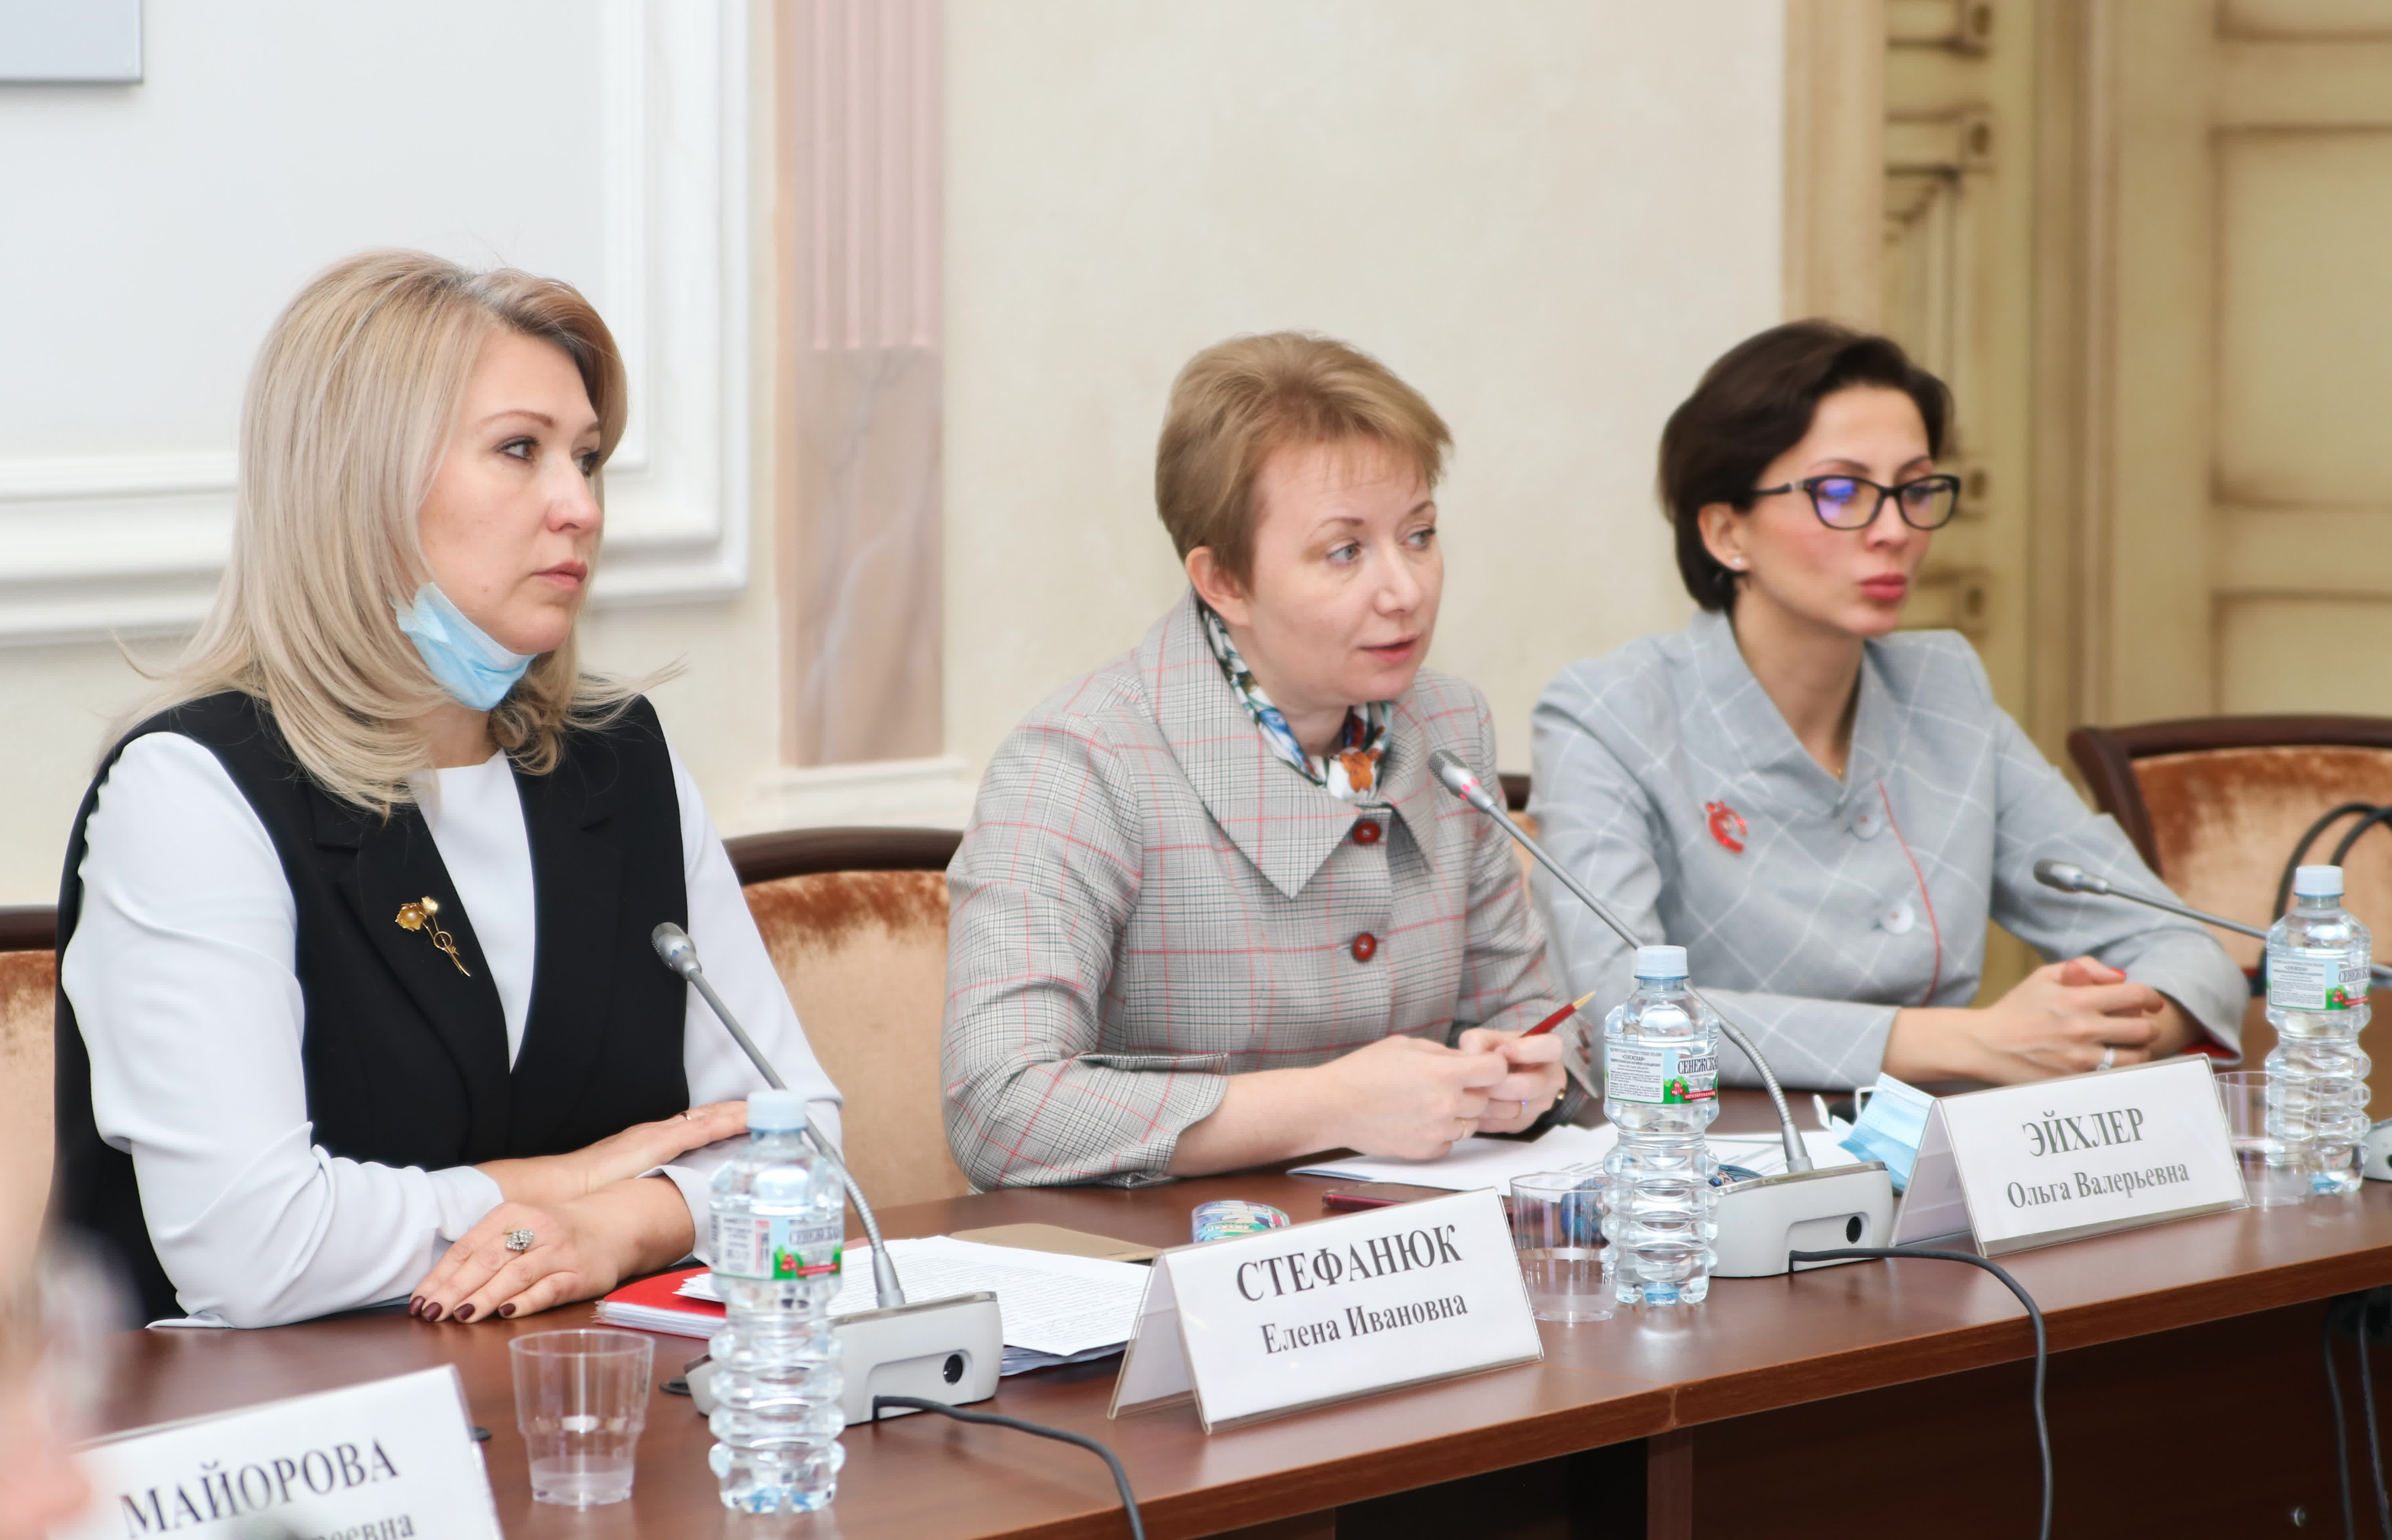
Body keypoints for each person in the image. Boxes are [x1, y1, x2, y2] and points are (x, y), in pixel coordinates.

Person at [52, 251, 838, 1329]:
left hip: (586, 1406)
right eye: (520, 450)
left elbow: (808, 1145)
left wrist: (625, 1226)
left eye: (588, 458)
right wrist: (562, 1184)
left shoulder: (622, 763)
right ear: (360, 487)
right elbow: (253, 1250)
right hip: (275, 1426)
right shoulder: (190, 790)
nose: (580, 507)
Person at [1529, 321, 2244, 1094]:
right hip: (1718, 1151)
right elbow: (1619, 1014)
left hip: (1939, 1147)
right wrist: (1971, 1041)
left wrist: (2093, 1037)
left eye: (1915, 490)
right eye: (1841, 492)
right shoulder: (1611, 714)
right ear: (1726, 530)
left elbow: (2183, 949)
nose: (1895, 531)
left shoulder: (1944, 691)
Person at [943, 332, 1568, 1190]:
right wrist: (1329, 1106)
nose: (1406, 590)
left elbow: (1530, 1013)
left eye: (1419, 535)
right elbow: (999, 1107)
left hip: (1414, 1242)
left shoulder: (1450, 725)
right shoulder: (1081, 762)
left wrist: (1525, 1076)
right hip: (1168, 1253)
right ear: (1224, 582)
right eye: (1346, 551)